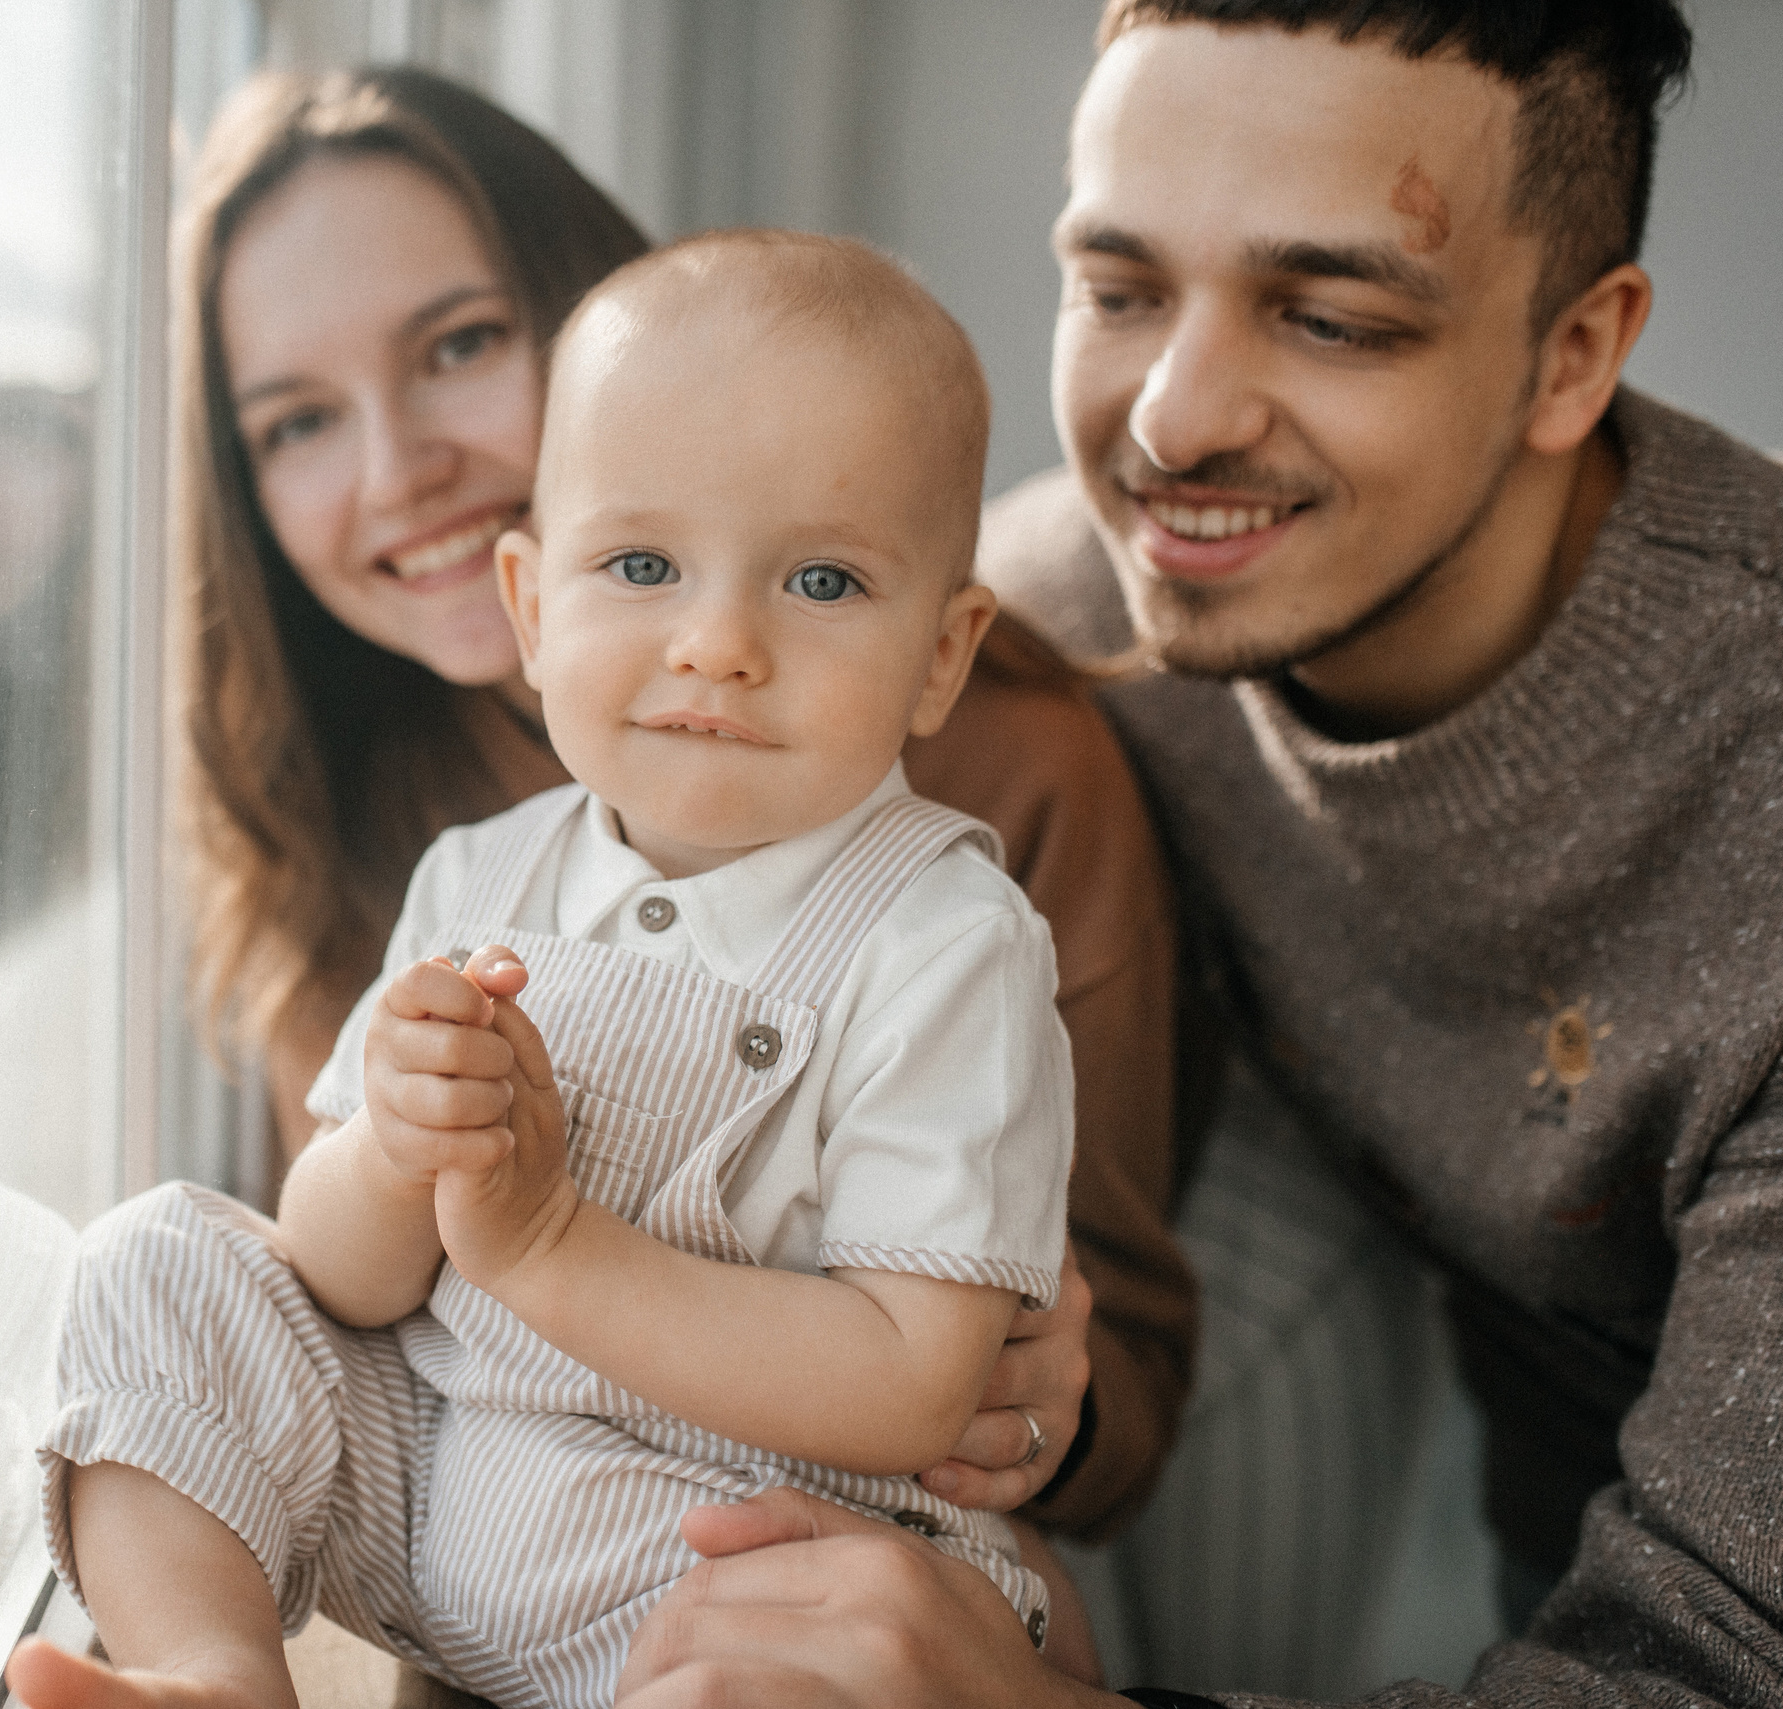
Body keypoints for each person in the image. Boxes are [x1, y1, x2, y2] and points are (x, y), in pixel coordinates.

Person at [614, 2, 1783, 1705]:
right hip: (1507, 1471)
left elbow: (1708, 1672)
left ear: (1573, 356)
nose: (1169, 422)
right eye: (1120, 289)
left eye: (1328, 315)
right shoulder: (1061, 625)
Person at [156, 64, 1191, 1545]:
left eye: (457, 345)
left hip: (800, 1520)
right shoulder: (354, 839)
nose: (398, 470)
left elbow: (1125, 1378)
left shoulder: (1003, 783)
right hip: (481, 1514)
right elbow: (346, 1306)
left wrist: (1034, 1392)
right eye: (298, 423)